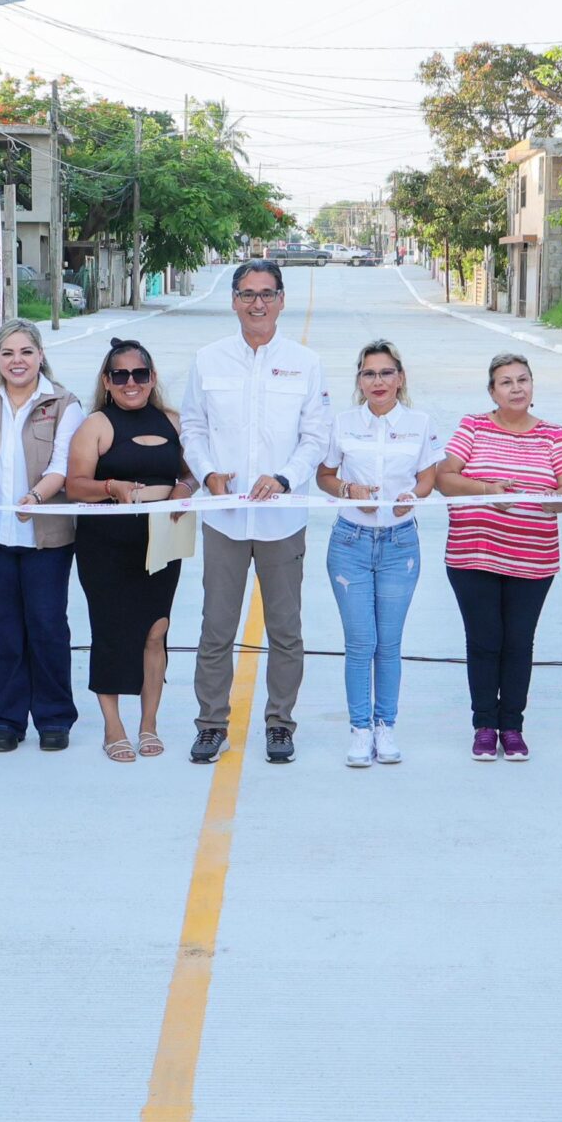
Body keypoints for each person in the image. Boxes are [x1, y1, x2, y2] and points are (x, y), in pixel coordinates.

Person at [179, 260, 329, 765]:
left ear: (283, 300)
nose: (257, 304)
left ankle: (280, 723)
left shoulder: (306, 364)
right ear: (234, 301)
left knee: (285, 629)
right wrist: (207, 474)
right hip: (224, 516)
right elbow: (193, 429)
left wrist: (285, 477)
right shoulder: (208, 359)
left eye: (267, 294)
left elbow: (316, 437)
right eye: (247, 294)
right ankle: (211, 724)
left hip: (282, 518)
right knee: (216, 627)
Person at [435, 354, 562, 761]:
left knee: (518, 642)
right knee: (484, 641)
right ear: (492, 391)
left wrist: (557, 502)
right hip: (473, 554)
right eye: (505, 382)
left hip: (533, 558)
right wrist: (487, 491)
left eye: (522, 380)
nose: (516, 388)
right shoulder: (473, 426)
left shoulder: (553, 434)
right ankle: (484, 725)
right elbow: (445, 479)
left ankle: (512, 727)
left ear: (533, 386)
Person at [0, 320, 86, 753]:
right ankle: (6, 718)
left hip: (46, 537)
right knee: (4, 630)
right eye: (8, 353)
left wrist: (35, 496)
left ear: (40, 355)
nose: (17, 361)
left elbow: (63, 466)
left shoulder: (65, 403)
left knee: (48, 627)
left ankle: (54, 717)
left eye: (26, 352)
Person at [66, 339, 197, 761]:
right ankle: (113, 725)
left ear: (152, 377)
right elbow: (74, 485)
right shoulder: (96, 425)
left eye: (139, 374)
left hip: (162, 541)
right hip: (106, 545)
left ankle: (148, 723)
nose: (130, 383)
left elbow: (194, 471)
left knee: (156, 630)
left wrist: (185, 487)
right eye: (120, 375)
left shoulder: (173, 422)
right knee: (109, 631)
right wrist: (110, 487)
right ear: (107, 382)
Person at [317, 339, 443, 768]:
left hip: (399, 544)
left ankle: (385, 726)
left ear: (400, 378)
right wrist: (347, 491)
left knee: (388, 644)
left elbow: (428, 477)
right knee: (360, 643)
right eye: (369, 374)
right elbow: (324, 475)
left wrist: (414, 496)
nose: (378, 381)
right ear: (359, 380)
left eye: (386, 373)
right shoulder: (344, 423)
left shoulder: (420, 422)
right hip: (350, 543)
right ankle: (359, 729)